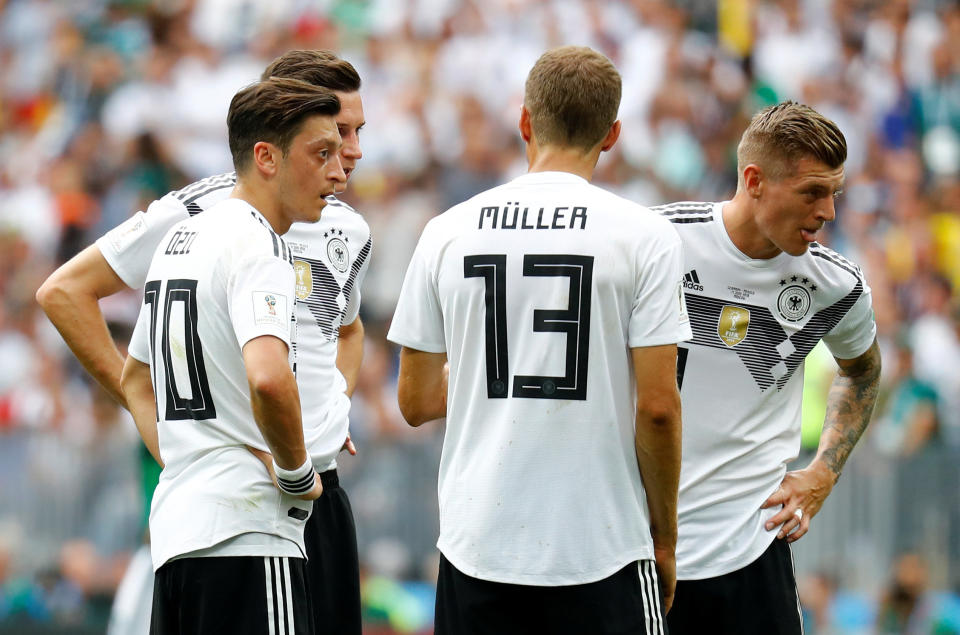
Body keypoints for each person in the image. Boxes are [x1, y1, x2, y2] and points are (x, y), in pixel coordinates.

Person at [37, 50, 371, 635]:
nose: (351, 154)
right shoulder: (206, 216)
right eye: (332, 138)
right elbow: (65, 292)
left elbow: (346, 327)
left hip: (301, 495)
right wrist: (181, 441)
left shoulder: (347, 227)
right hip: (259, 499)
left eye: (353, 133)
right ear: (275, 144)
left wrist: (331, 406)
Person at [387, 46, 690, 635]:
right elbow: (657, 408)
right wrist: (667, 538)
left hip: (479, 547)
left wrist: (484, 368)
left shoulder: (447, 231)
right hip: (601, 547)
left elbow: (416, 401)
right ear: (613, 135)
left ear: (525, 121)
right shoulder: (647, 237)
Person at [119, 76, 343, 634]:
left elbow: (134, 377)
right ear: (266, 157)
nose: (339, 172)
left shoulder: (181, 239)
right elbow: (268, 378)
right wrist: (296, 475)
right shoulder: (261, 244)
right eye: (322, 153)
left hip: (178, 537)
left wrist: (189, 459)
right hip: (248, 538)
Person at [653, 101, 882, 635]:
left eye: (835, 193)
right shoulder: (656, 243)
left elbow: (863, 370)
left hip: (752, 554)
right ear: (754, 180)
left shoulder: (834, 285)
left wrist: (823, 472)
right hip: (639, 548)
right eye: (812, 192)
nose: (828, 212)